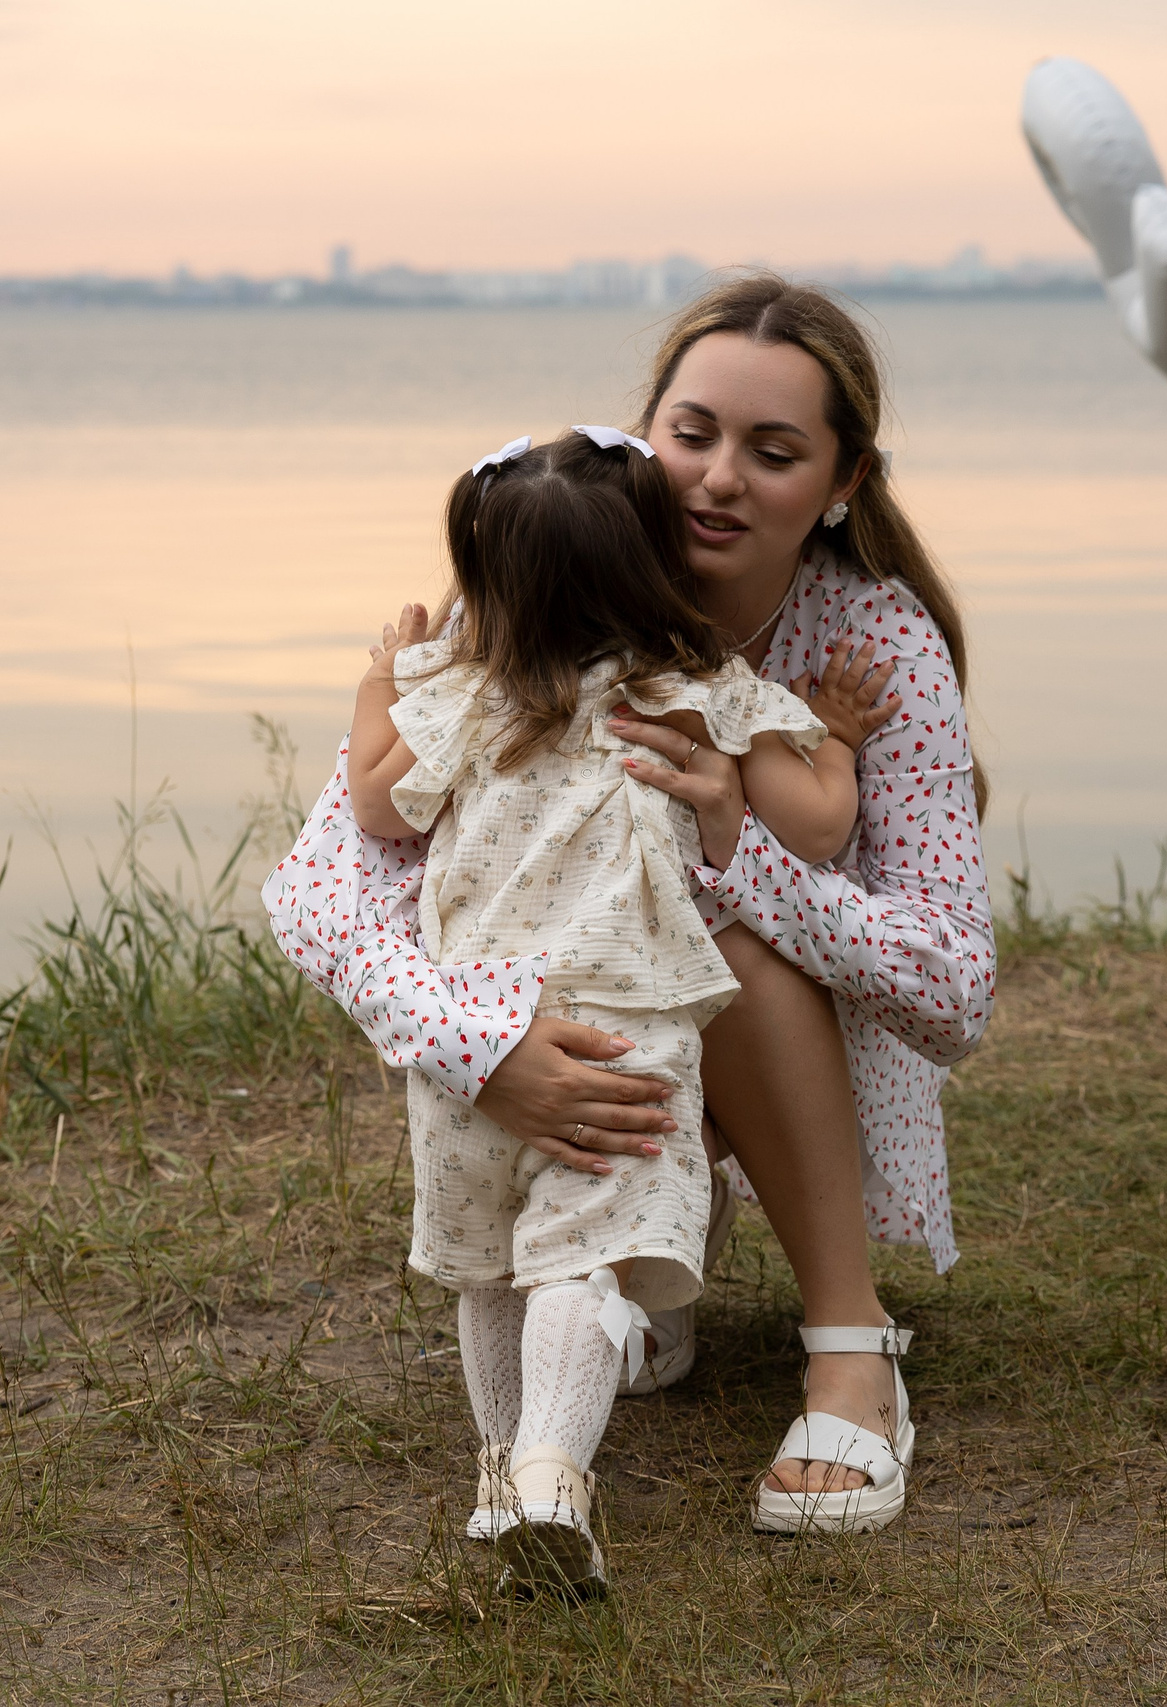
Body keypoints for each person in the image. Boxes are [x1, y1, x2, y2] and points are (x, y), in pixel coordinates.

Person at [264, 273, 994, 1537]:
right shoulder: (530, 592)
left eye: (774, 452)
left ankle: (849, 1341)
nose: (718, 479)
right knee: (551, 952)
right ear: (642, 436)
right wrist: (481, 1046)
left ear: (842, 484)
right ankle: (607, 1275)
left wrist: (734, 846)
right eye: (694, 433)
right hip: (567, 1035)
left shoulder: (872, 643)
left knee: (715, 926)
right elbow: (327, 892)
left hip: (794, 1037)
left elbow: (950, 988)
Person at [345, 425, 897, 1594]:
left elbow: (378, 812)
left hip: (474, 1046)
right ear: (655, 566)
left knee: (490, 1270)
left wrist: (376, 686)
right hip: (621, 1042)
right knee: (577, 1268)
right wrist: (836, 743)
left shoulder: (459, 699)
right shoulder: (689, 693)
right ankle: (550, 1474)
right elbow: (815, 828)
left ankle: (504, 1485)